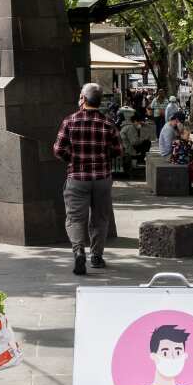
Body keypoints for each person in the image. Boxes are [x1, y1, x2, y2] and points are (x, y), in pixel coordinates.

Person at [53, 83, 122, 275]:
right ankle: (97, 257)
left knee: (75, 218)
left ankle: (78, 253)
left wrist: (73, 160)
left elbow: (58, 149)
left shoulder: (70, 121)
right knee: (100, 218)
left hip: (77, 177)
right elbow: (118, 150)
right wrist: (103, 158)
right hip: (102, 178)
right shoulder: (108, 123)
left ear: (83, 98)